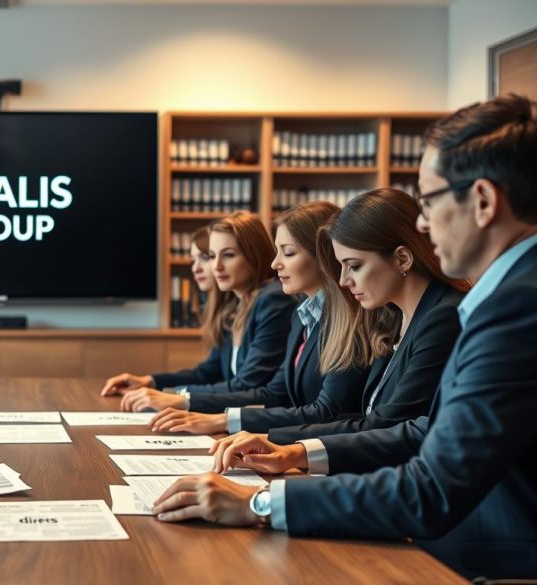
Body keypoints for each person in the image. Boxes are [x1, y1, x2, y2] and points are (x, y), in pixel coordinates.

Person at [150, 94, 537, 579]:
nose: (422, 222)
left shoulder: (516, 309)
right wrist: (295, 453)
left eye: (430, 199)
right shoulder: (508, 297)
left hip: (480, 558)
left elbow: (431, 490)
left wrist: (262, 502)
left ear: (482, 200)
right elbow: (419, 430)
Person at [152, 190, 466, 436]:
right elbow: (281, 393)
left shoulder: (400, 316)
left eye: (288, 253)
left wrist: (271, 440)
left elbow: (368, 422)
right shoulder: (334, 314)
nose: (276, 264)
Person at [149, 201, 367, 434]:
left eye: (289, 252)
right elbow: (276, 392)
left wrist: (213, 415)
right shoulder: (302, 315)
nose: (276, 263)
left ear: (324, 254)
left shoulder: (341, 318)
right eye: (211, 256)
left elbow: (326, 412)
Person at [102, 211, 296, 412]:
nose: (216, 266)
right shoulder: (237, 305)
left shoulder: (272, 299)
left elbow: (247, 385)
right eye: (212, 256)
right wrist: (150, 381)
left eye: (228, 255)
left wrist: (173, 395)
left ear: (254, 254)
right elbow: (209, 372)